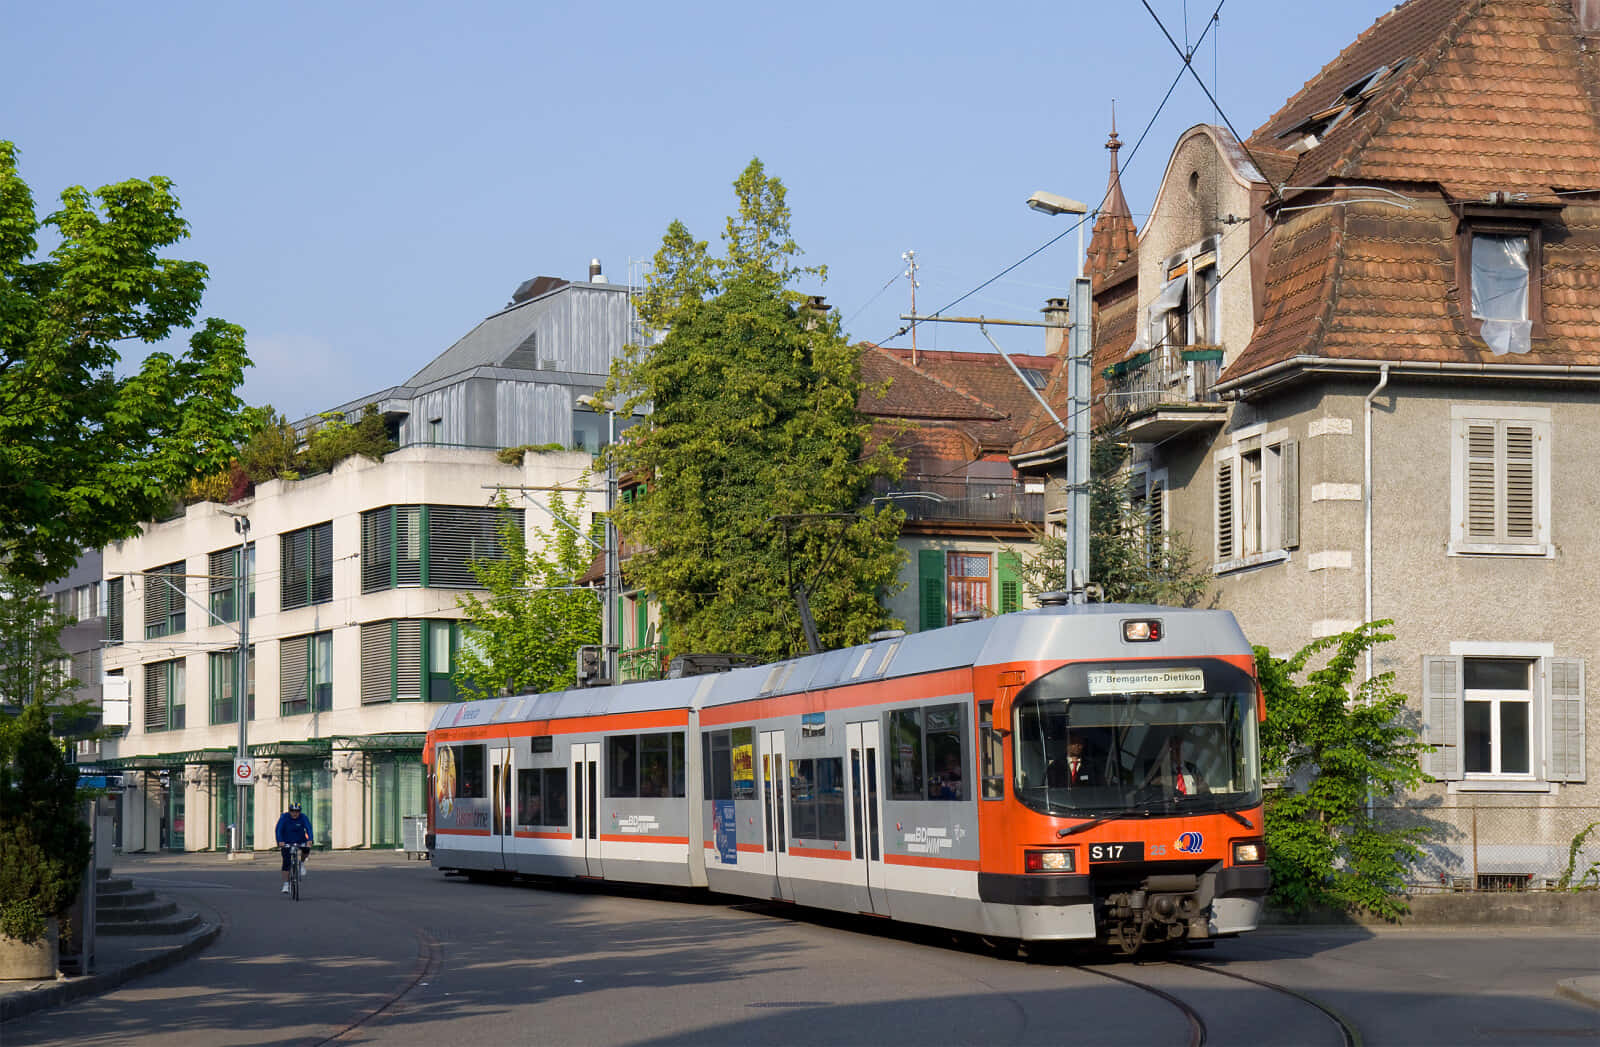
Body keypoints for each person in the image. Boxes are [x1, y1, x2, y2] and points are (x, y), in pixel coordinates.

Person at [275, 801, 315, 894]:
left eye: (297, 811)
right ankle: (286, 884)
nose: (294, 813)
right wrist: (280, 841)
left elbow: (309, 828)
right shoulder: (284, 817)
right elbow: (278, 830)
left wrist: (310, 839)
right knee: (286, 862)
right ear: (289, 811)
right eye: (292, 811)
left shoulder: (303, 817)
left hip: (300, 840)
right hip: (286, 842)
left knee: (306, 849)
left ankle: (301, 863)